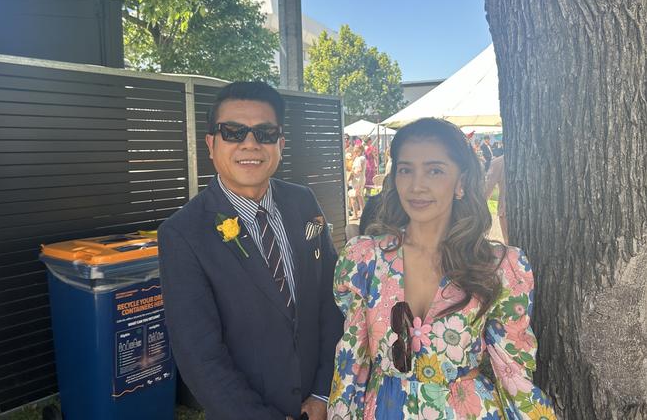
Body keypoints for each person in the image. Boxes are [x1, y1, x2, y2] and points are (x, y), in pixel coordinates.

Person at [328, 118, 556, 419]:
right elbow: (350, 367)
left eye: (434, 170)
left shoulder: (499, 266)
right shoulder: (365, 260)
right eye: (406, 170)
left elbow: (514, 374)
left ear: (460, 182)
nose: (416, 185)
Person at [158, 81, 344, 420]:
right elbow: (200, 357)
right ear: (211, 144)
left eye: (265, 133)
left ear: (280, 143)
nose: (250, 144)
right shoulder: (182, 234)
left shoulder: (304, 202)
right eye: (233, 132)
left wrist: (323, 391)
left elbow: (331, 301)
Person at [485, 155, 508, 243]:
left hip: (506, 210)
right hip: (506, 211)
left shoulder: (499, 162)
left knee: (511, 246)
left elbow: (486, 191)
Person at [348, 145, 366, 218]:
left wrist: (353, 172)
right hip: (357, 180)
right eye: (355, 150)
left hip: (358, 180)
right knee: (359, 196)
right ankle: (363, 213)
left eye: (357, 150)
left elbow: (360, 169)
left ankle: (355, 214)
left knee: (353, 196)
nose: (355, 151)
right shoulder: (358, 158)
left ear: (361, 150)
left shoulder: (361, 158)